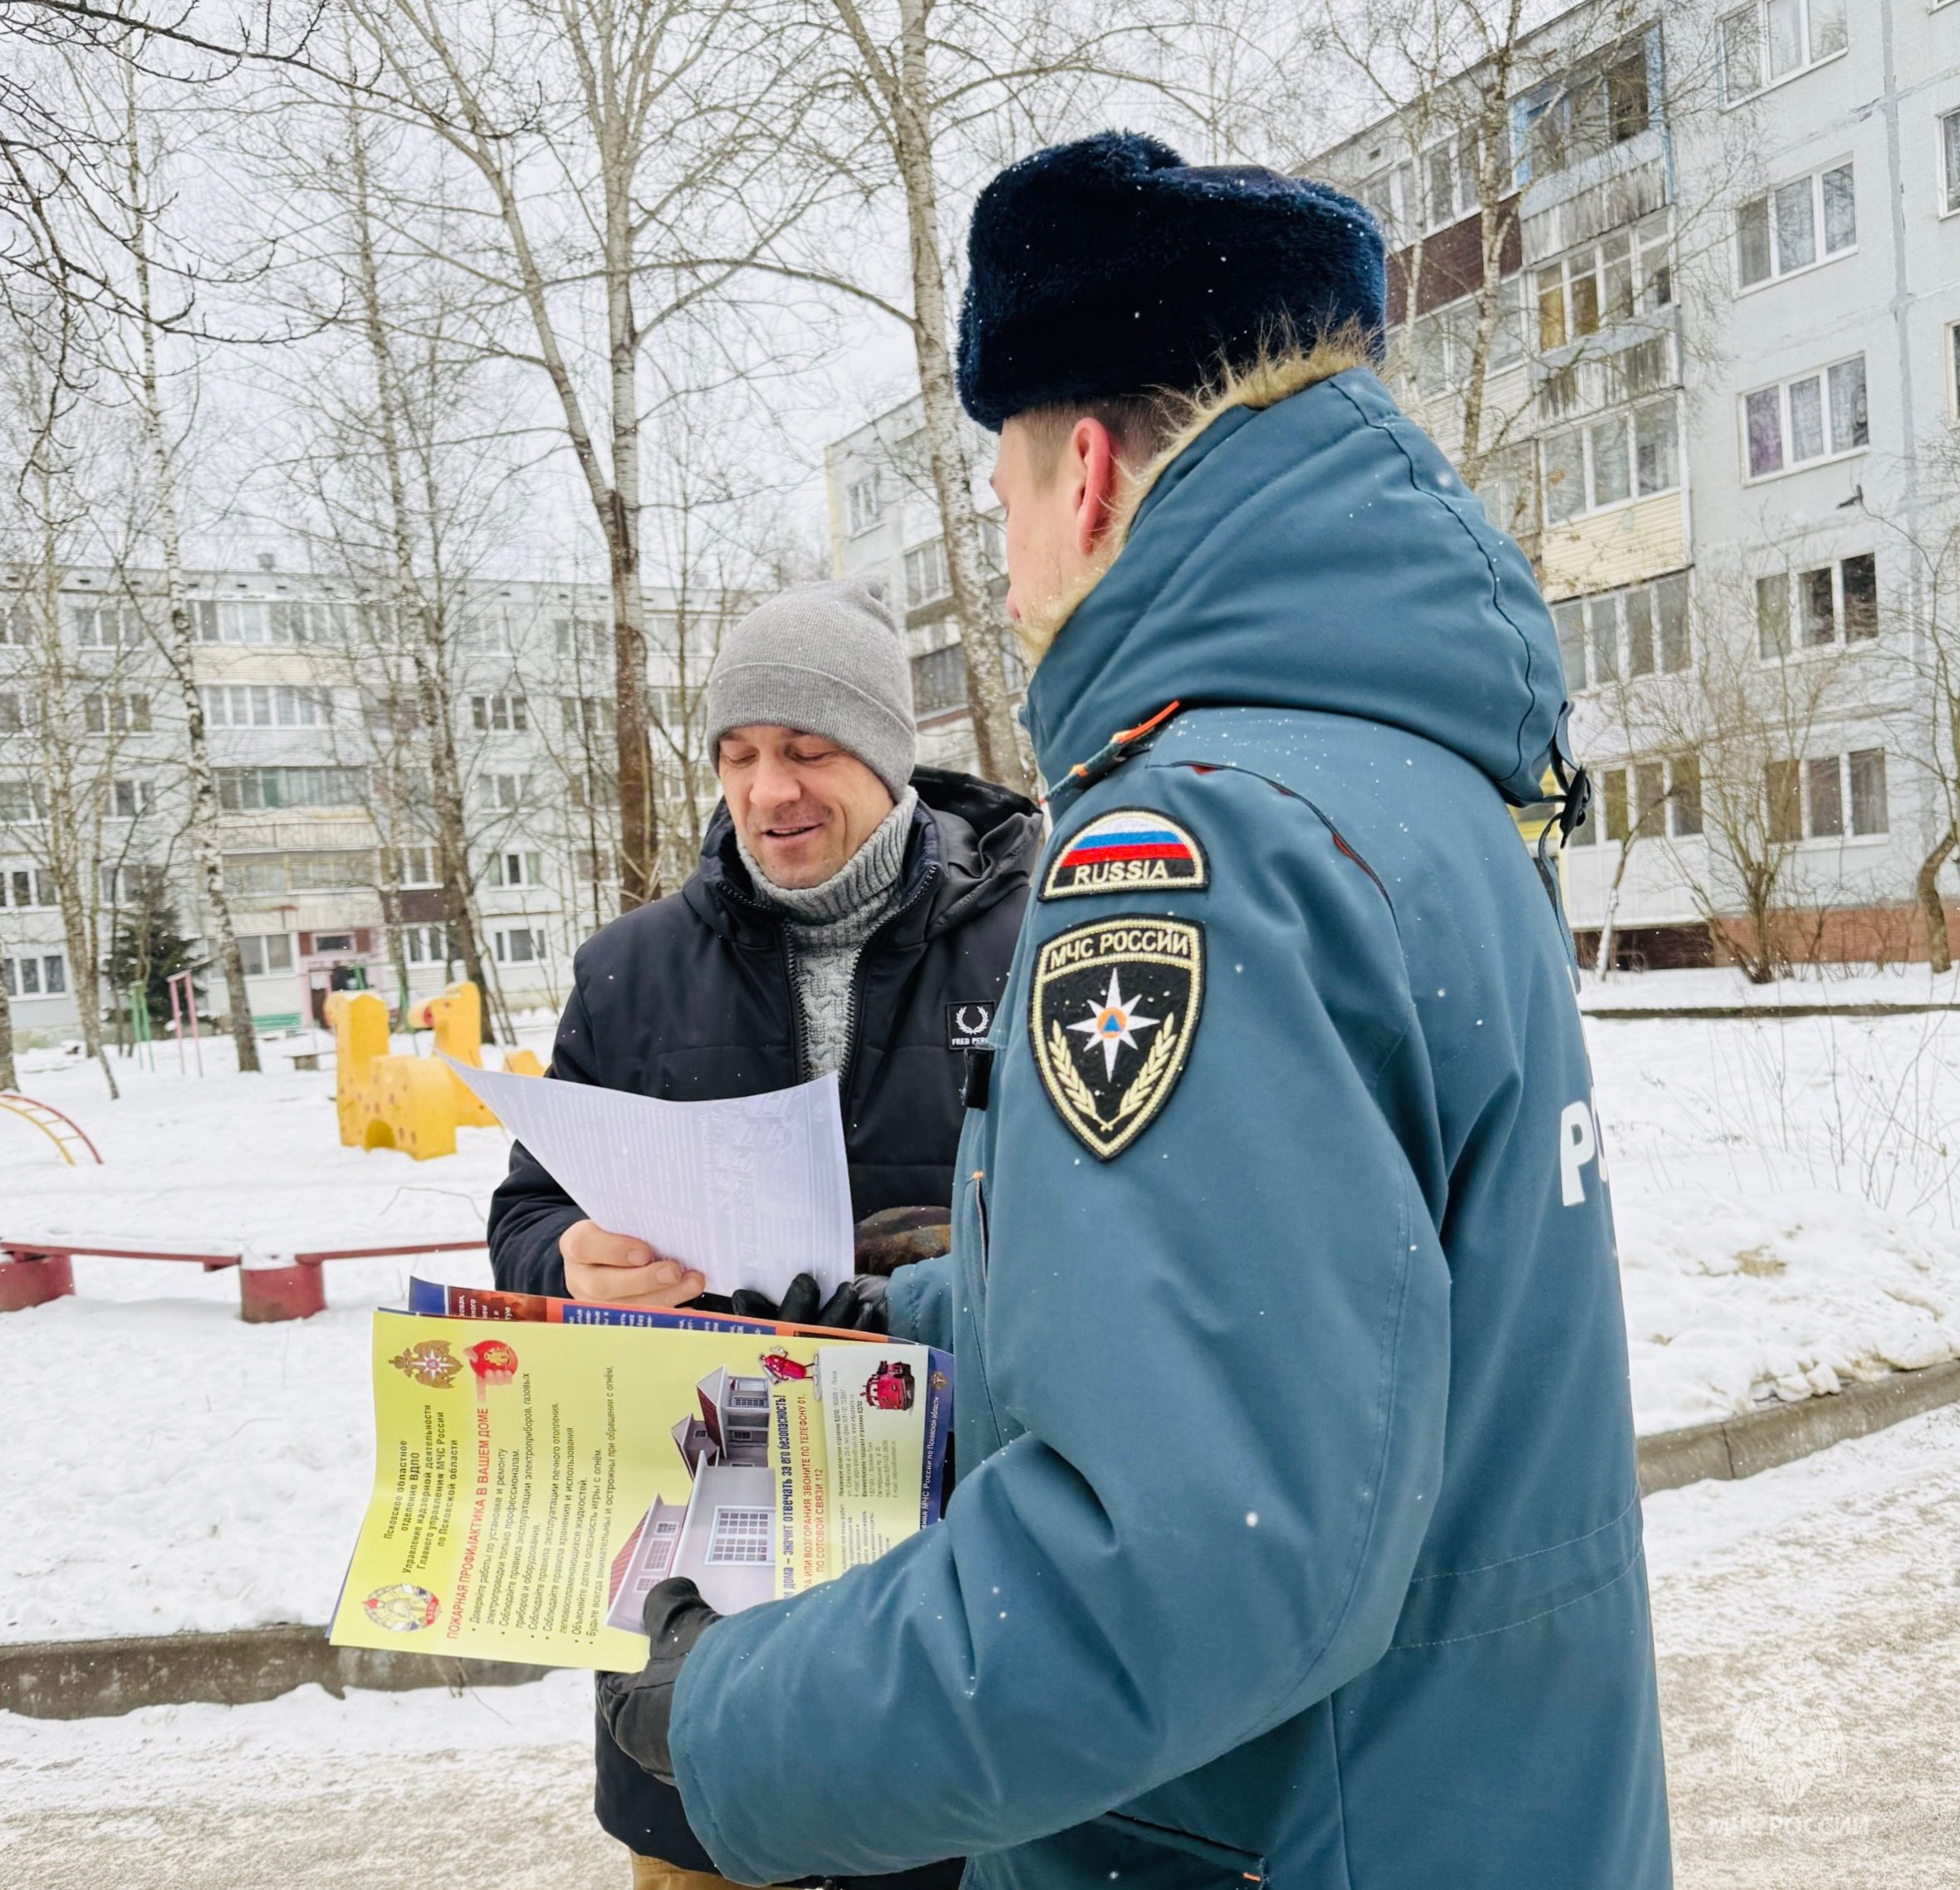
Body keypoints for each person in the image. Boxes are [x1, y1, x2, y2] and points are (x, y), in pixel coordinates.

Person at [598, 132, 1673, 1889]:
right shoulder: (1419, 795)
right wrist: (926, 1308)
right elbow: (1343, 1319)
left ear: (1084, 473)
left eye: (1003, 495)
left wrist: (728, 1721)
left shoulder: (1196, 847)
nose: (1011, 565)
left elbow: (1181, 1565)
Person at [488, 577, 1038, 1888]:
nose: (768, 790)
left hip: (946, 1550)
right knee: (709, 1850)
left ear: (890, 758)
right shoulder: (630, 972)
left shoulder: (1034, 942)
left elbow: (1128, 1228)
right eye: (737, 755)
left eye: (807, 750)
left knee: (938, 1847)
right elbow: (526, 1212)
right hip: (703, 1564)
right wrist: (565, 1255)